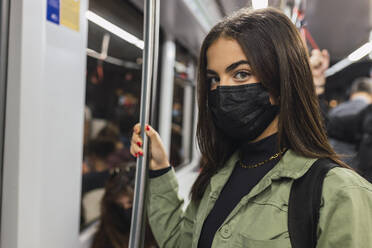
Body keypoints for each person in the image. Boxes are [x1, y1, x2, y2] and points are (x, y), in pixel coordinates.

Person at [131, 8, 372, 248]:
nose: (221, 90)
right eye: (214, 79)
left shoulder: (337, 192)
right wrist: (160, 169)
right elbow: (182, 243)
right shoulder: (218, 174)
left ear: (280, 83)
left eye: (241, 74)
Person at [91, 166, 157, 248]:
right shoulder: (109, 231)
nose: (126, 208)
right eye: (119, 205)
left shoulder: (156, 223)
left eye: (130, 202)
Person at [327, 77, 372, 167]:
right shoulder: (368, 114)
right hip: (357, 171)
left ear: (351, 94)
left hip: (331, 164)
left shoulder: (334, 111)